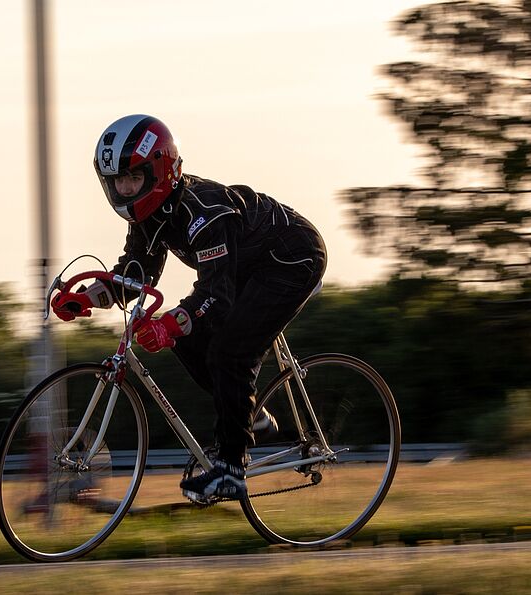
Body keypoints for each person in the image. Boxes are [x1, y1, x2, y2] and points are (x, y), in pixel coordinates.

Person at [51, 114, 327, 502]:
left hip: (291, 259)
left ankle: (231, 470)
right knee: (188, 339)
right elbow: (135, 276)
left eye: (134, 178)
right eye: (118, 182)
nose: (126, 190)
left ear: (161, 170)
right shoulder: (150, 215)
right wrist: (86, 297)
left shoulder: (203, 213)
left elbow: (216, 295)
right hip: (245, 269)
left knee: (231, 352)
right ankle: (252, 420)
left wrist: (170, 323)